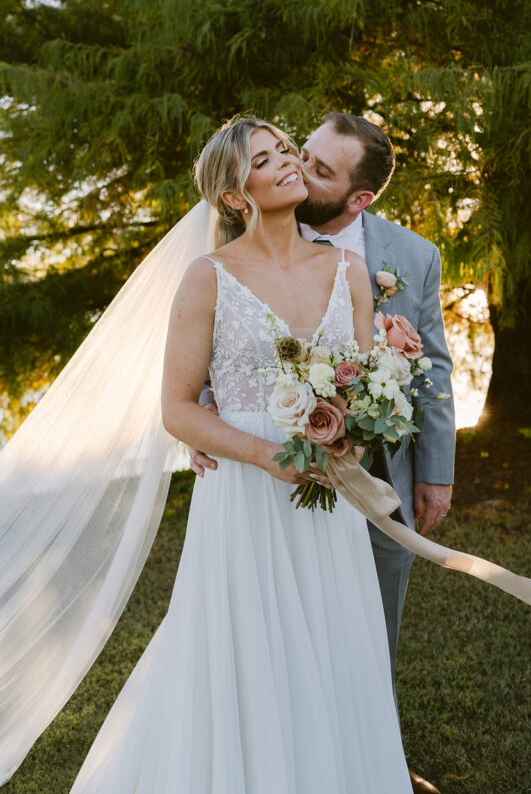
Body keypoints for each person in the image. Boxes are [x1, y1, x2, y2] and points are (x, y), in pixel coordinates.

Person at [62, 117, 413, 793]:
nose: (287, 161)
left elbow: (369, 390)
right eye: (265, 158)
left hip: (327, 502)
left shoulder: (350, 270)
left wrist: (348, 432)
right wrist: (261, 452)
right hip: (245, 499)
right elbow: (178, 407)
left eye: (286, 149)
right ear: (233, 196)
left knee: (333, 649)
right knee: (247, 654)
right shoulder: (209, 277)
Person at [191, 112, 456, 794]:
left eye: (318, 168)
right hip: (257, 484)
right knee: (260, 633)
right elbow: (199, 374)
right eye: (294, 153)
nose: (298, 169)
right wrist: (214, 416)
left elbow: (432, 371)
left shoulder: (405, 257)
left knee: (362, 628)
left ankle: (365, 756)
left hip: (368, 475)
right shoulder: (223, 259)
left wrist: (435, 472)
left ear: (358, 198)